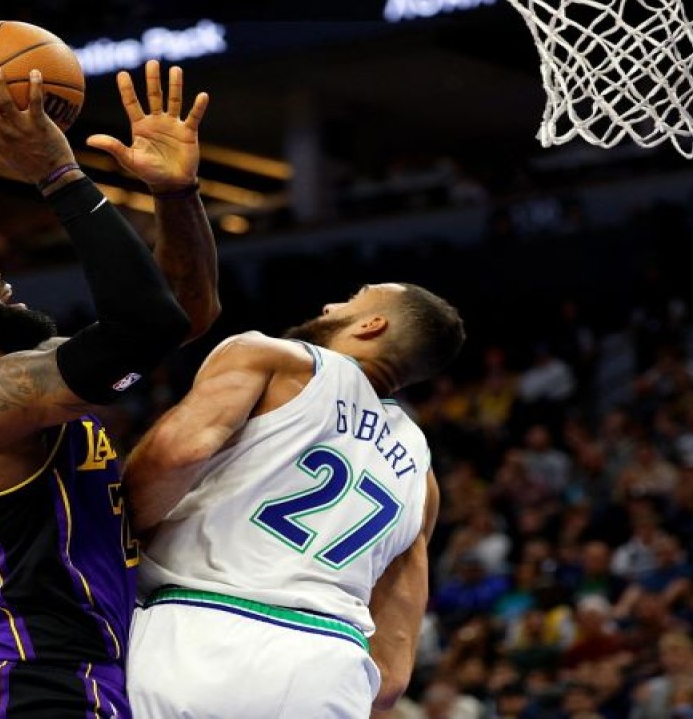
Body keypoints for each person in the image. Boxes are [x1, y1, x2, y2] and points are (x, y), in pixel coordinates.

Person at [0, 60, 216, 718]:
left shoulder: (28, 381)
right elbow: (146, 326)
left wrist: (175, 194)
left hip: (85, 680)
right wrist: (58, 174)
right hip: (28, 685)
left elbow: (180, 317)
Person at [123, 282, 465, 717]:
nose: (330, 303)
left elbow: (177, 454)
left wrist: (113, 534)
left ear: (371, 325)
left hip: (201, 630)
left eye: (352, 299)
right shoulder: (422, 475)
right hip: (331, 667)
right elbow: (393, 676)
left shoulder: (277, 360)